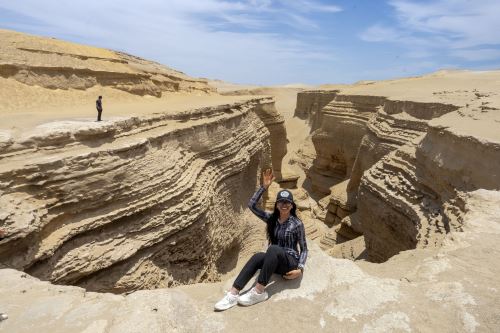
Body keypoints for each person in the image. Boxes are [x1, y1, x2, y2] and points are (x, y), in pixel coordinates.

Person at [214, 169, 308, 311]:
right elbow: (251, 205)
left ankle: (258, 291)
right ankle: (233, 294)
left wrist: (300, 269)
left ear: (292, 205)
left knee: (273, 248)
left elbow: (304, 248)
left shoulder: (297, 224)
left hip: (289, 262)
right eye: (281, 202)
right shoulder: (272, 219)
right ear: (276, 204)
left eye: (288, 202)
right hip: (274, 261)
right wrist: (264, 187)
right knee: (258, 256)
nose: (284, 204)